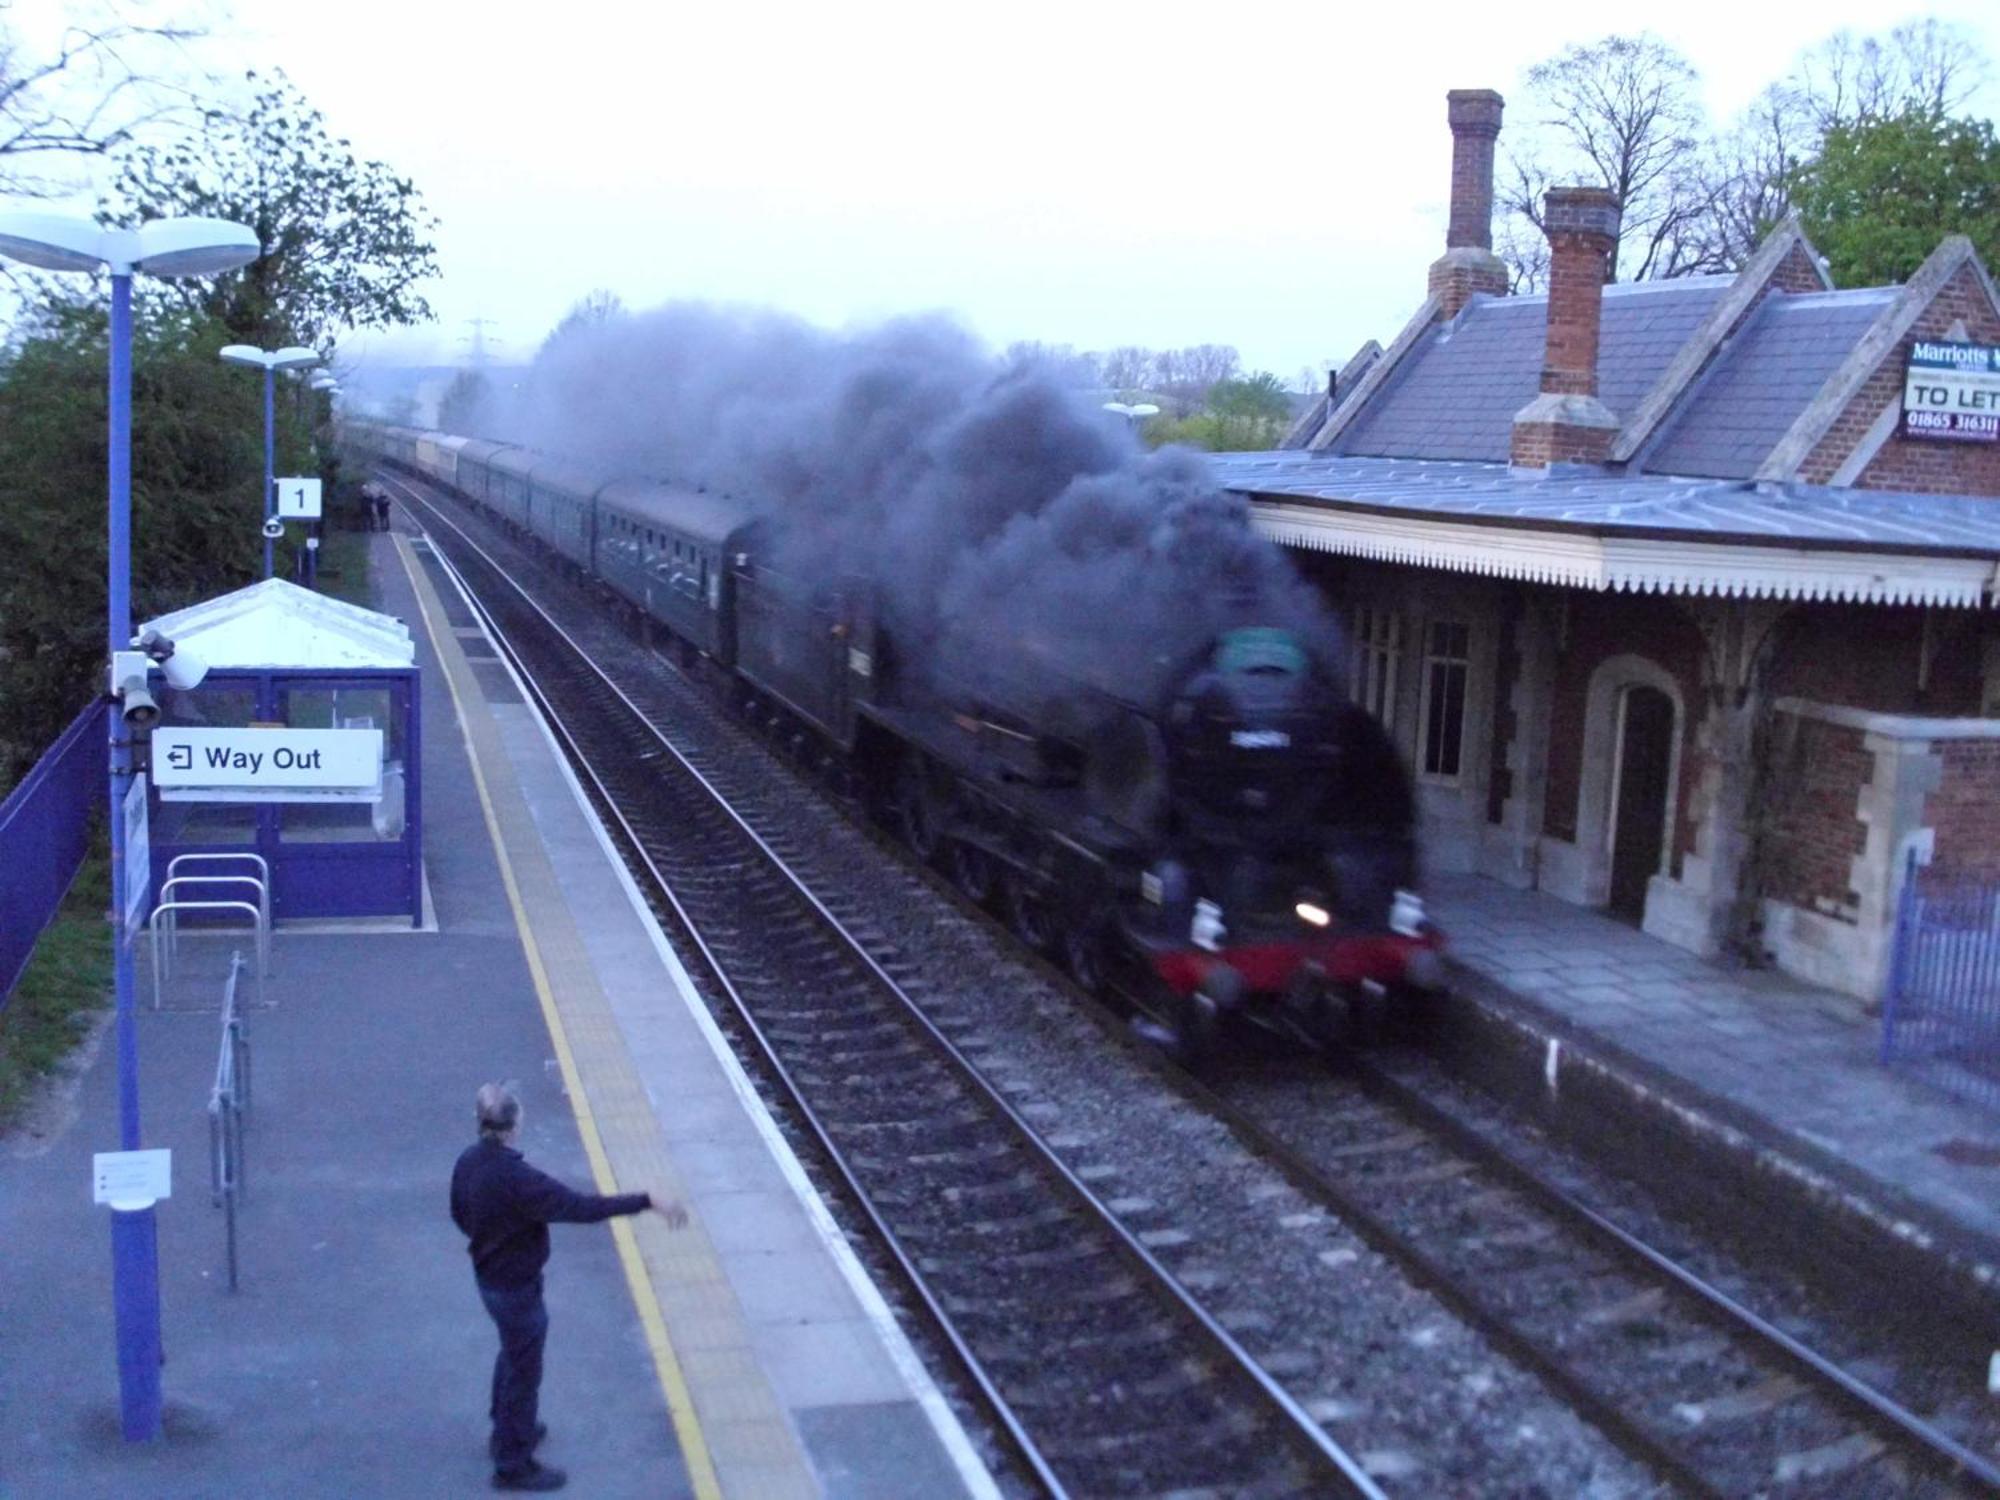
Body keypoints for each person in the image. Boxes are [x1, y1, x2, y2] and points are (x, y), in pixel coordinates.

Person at [450, 1082, 687, 1492]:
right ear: (514, 1125)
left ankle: (503, 1430)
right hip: (516, 1286)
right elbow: (582, 1208)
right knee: (524, 1372)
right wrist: (647, 1200)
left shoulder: (468, 1161)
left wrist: (491, 1237)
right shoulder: (519, 1180)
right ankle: (512, 1463)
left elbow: (458, 1211)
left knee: (512, 1354)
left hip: (488, 1276)